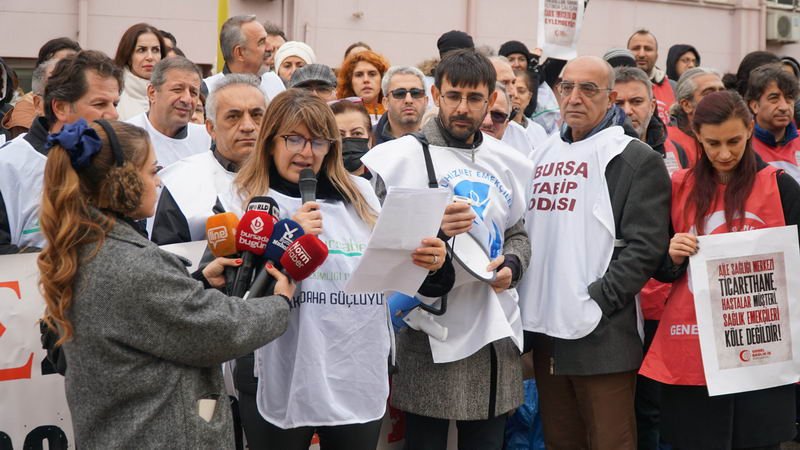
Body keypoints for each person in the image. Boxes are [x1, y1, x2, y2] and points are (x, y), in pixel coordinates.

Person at [37, 118, 293, 448]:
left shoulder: (85, 246)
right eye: (152, 172)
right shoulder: (129, 263)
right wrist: (280, 303)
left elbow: (145, 316)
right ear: (123, 181)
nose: (157, 183)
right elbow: (217, 331)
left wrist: (198, 281)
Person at [230, 89, 449, 450]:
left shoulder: (363, 195)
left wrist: (434, 262)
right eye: (294, 139)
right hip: (277, 368)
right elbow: (234, 296)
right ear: (270, 141)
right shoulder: (247, 199)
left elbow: (404, 273)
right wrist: (287, 237)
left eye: (318, 142)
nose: (306, 152)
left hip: (354, 366)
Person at [363, 48, 534, 450]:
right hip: (427, 328)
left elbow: (519, 233)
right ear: (436, 94)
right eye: (454, 95)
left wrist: (513, 264)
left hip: (494, 327)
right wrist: (433, 230)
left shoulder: (508, 161)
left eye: (475, 98)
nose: (463, 107)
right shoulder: (397, 158)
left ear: (491, 100)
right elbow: (376, 244)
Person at [519, 56, 671, 449]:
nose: (574, 98)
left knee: (610, 441)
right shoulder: (540, 155)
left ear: (611, 98)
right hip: (548, 330)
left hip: (603, 333)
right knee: (560, 440)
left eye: (588, 89)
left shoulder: (636, 158)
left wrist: (601, 299)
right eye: (567, 87)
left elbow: (645, 246)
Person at [640, 90, 800, 450]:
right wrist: (672, 255)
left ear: (748, 129)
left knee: (758, 441)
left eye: (734, 141)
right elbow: (659, 269)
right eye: (712, 143)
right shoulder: (680, 186)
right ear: (697, 135)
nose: (724, 153)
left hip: (761, 349)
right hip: (695, 347)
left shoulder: (780, 186)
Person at [0, 50, 122, 254]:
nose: (114, 114)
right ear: (60, 108)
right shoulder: (6, 165)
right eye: (100, 103)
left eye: (115, 103)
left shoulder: (117, 161)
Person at [151, 74, 266, 245]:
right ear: (211, 128)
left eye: (257, 115)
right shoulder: (180, 183)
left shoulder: (290, 177)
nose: (248, 126)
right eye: (233, 116)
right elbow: (167, 261)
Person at [126, 57, 210, 168]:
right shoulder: (127, 135)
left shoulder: (207, 139)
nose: (187, 99)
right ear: (152, 93)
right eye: (177, 89)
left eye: (193, 92)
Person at [204, 15, 285, 102]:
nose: (269, 48)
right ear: (239, 52)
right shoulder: (208, 90)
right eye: (261, 42)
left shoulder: (276, 82)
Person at [745, 64, 800, 184]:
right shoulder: (742, 145)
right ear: (754, 106)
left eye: (789, 98)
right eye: (774, 98)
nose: (784, 107)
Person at [668, 67, 725, 166]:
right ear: (687, 105)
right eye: (708, 93)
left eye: (722, 92)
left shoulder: (733, 136)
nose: (719, 98)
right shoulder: (668, 141)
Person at [114, 23, 166, 120]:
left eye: (155, 50)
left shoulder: (171, 94)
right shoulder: (114, 95)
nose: (150, 57)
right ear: (128, 56)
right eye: (141, 50)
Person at [627, 29, 674, 125]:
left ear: (656, 55)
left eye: (648, 49)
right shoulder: (613, 85)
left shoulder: (674, 88)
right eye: (636, 48)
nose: (641, 54)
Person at [373, 65, 428, 145]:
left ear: (426, 101)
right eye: (399, 93)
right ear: (385, 102)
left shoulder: (441, 141)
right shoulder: (368, 139)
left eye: (416, 93)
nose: (408, 100)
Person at [337, 50, 390, 125]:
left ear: (382, 79)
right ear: (350, 81)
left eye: (372, 74)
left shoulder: (393, 112)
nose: (366, 80)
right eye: (359, 75)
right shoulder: (338, 114)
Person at [332, 99, 373, 176]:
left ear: (370, 140)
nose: (348, 140)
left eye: (357, 133)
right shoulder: (317, 184)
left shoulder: (384, 181)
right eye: (340, 135)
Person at [511, 69, 549, 149]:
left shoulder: (539, 130)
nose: (515, 95)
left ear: (529, 97)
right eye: (511, 90)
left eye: (521, 91)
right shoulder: (497, 128)